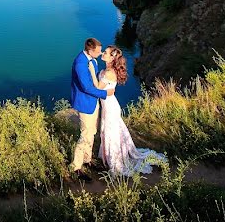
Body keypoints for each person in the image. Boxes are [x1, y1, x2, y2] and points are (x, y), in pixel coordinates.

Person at [89, 45, 167, 176]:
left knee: (110, 132)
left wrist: (91, 70)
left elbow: (97, 87)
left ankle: (114, 161)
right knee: (108, 131)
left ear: (112, 58)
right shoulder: (107, 69)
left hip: (110, 107)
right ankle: (108, 158)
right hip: (108, 105)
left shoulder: (109, 73)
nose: (103, 53)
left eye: (106, 53)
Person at [69, 37, 108, 178]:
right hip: (85, 103)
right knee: (85, 134)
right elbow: (86, 87)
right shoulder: (80, 63)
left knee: (92, 132)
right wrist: (105, 93)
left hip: (93, 101)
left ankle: (87, 159)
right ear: (90, 50)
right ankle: (76, 167)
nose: (100, 52)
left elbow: (94, 81)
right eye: (98, 51)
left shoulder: (93, 60)